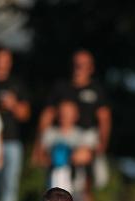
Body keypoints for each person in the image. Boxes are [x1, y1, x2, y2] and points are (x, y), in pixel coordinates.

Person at [34, 100, 97, 201]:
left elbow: (86, 155)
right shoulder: (49, 134)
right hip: (55, 192)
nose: (65, 116)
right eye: (62, 112)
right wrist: (53, 157)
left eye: (69, 113)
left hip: (77, 189)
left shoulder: (82, 134)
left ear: (75, 115)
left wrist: (68, 155)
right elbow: (39, 157)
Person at [38, 49, 111, 187]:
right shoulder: (61, 87)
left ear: (91, 67)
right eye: (76, 64)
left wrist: (102, 145)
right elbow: (47, 115)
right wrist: (39, 146)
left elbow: (104, 119)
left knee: (87, 179)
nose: (79, 67)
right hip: (62, 138)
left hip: (88, 139)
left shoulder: (97, 90)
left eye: (84, 64)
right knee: (57, 175)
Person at [0, 48, 31, 201]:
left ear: (10, 63)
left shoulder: (17, 85)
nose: (1, 63)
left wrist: (13, 105)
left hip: (12, 142)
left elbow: (25, 115)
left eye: (5, 60)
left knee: (10, 186)